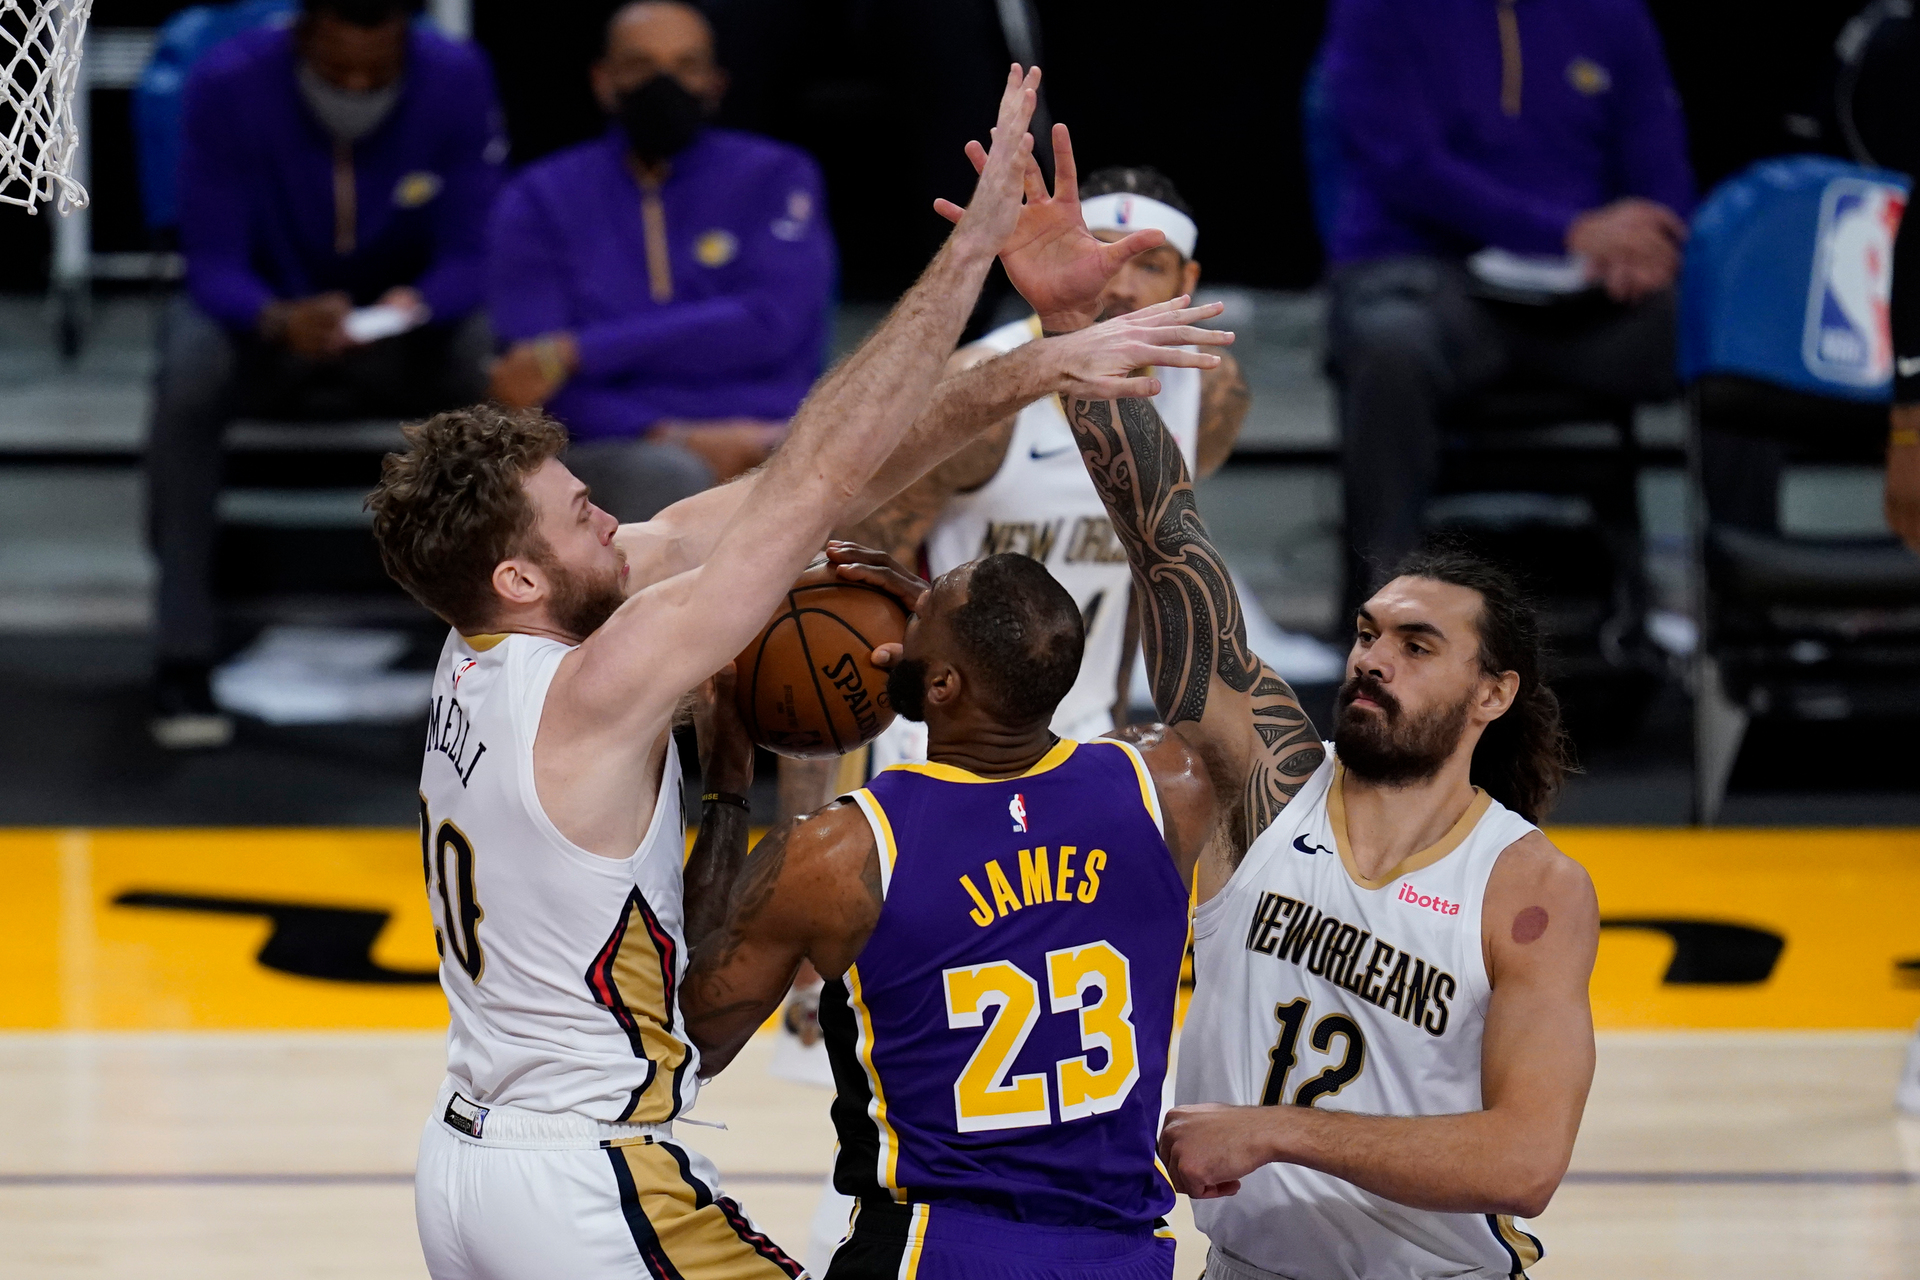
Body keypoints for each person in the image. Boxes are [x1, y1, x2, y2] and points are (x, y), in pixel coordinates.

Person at [368, 66, 1227, 1280]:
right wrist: (972, 254)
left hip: (466, 1162)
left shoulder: (486, 651)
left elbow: (801, 486)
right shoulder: (597, 681)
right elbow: (820, 475)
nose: (614, 519)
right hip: (581, 1174)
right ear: (518, 575)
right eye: (578, 515)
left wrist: (1041, 364)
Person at [1044, 329, 1601, 1276]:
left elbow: (1525, 1161)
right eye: (1367, 633)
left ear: (1492, 695)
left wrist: (1279, 1132)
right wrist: (1072, 331)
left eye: (1417, 646)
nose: (1372, 658)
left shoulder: (1528, 887)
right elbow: (1162, 534)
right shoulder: (1269, 795)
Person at [677, 551, 1217, 1280]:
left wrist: (727, 787)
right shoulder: (1167, 786)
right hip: (1120, 1250)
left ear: (941, 684)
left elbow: (688, 1042)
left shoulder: (840, 850)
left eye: (921, 615)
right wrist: (976, 632)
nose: (907, 615)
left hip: (936, 1248)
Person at [148, 0, 504, 749]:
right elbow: (208, 263)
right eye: (335, 67)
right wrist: (276, 317)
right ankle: (181, 653)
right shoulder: (229, 82)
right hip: (270, 331)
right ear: (300, 34)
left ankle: (499, 646)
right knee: (186, 363)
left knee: (487, 356)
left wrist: (421, 301)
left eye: (375, 70)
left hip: (399, 333)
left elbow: (474, 252)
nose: (354, 82)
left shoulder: (455, 77)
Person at [1321, 0, 1695, 611]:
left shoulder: (1616, 13)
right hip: (1434, 281)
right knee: (1388, 339)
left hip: (1586, 303)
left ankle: (1746, 608)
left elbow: (1661, 170)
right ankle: (1380, 614)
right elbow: (1408, 167)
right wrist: (1568, 230)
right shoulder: (1377, 10)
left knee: (1730, 328)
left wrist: (1651, 247)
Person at [486, 0, 835, 519]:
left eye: (686, 66)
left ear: (715, 84)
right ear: (604, 81)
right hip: (617, 443)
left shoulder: (777, 175)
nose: (664, 85)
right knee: (669, 475)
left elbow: (771, 325)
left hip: (773, 430)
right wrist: (674, 434)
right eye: (641, 67)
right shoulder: (539, 198)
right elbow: (532, 380)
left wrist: (582, 349)